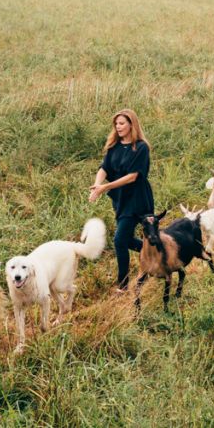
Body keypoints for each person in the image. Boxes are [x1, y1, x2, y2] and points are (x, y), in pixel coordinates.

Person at [89, 109, 154, 293]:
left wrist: (105, 188)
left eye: (122, 123)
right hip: (121, 199)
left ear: (132, 124)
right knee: (124, 239)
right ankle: (154, 250)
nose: (118, 127)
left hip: (138, 198)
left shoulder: (141, 147)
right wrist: (97, 185)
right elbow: (105, 168)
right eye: (116, 124)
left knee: (119, 240)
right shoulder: (114, 147)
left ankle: (123, 285)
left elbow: (133, 176)